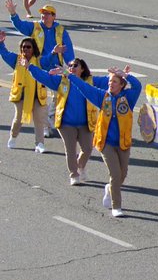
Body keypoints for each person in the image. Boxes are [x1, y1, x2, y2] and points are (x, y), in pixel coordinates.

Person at [67, 65, 142, 217]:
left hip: (123, 143)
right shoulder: (103, 96)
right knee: (115, 174)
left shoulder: (129, 98)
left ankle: (109, 189)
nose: (110, 84)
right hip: (106, 143)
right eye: (109, 81)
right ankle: (116, 206)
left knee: (122, 175)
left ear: (121, 85)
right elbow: (85, 87)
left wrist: (126, 75)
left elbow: (138, 86)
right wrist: (69, 75)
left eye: (114, 81)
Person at [26, 57, 109, 185]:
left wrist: (123, 76)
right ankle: (74, 174)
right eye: (70, 66)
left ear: (82, 69)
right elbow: (44, 77)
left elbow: (109, 81)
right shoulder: (61, 81)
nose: (72, 68)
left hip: (86, 123)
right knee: (70, 150)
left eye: (75, 65)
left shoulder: (91, 81)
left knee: (87, 149)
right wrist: (30, 67)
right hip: (66, 124)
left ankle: (80, 166)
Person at [1, 33, 49, 152]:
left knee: (39, 120)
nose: (25, 49)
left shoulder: (40, 60)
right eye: (23, 47)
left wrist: (54, 52)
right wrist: (1, 43)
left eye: (28, 47)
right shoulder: (16, 59)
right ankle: (13, 137)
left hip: (38, 95)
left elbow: (50, 60)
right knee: (18, 119)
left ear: (33, 49)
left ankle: (39, 144)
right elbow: (4, 53)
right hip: (21, 95)